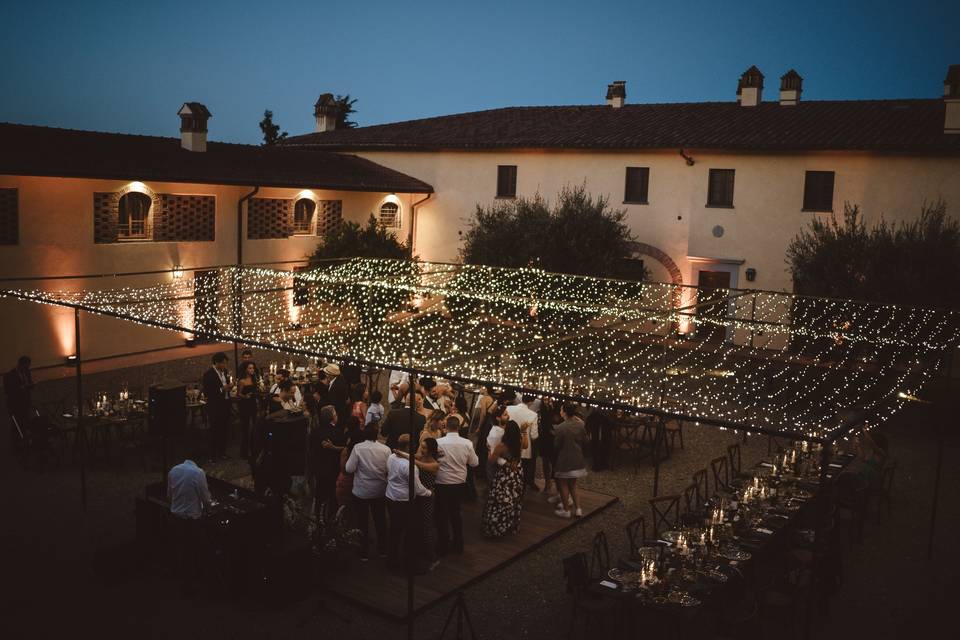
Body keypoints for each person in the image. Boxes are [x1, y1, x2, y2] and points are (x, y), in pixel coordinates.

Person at [167, 453, 213, 596]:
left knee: (182, 551)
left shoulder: (173, 471)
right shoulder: (198, 473)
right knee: (200, 551)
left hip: (176, 518)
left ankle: (185, 584)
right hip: (192, 521)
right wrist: (208, 510)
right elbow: (206, 499)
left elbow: (169, 495)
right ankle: (203, 584)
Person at [344, 424, 391, 561]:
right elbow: (389, 469)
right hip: (379, 490)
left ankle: (364, 552)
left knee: (362, 521)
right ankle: (383, 549)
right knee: (380, 520)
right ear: (377, 435)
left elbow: (349, 468)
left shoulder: (358, 448)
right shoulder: (385, 449)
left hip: (361, 490)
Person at [394, 436, 441, 571]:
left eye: (425, 447)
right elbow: (412, 456)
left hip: (427, 497)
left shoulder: (434, 464)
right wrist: (401, 453)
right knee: (417, 526)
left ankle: (433, 558)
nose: (422, 449)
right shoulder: (420, 456)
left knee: (426, 527)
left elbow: (417, 464)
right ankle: (420, 552)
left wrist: (401, 453)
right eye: (422, 446)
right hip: (418, 496)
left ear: (431, 450)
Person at [384, 441, 432, 570]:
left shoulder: (391, 457)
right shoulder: (410, 466)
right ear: (407, 449)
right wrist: (429, 493)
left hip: (390, 497)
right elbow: (417, 489)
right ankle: (410, 564)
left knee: (394, 531)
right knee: (411, 533)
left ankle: (392, 561)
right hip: (404, 501)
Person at [434, 417, 479, 555]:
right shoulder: (467, 443)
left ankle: (443, 545)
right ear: (458, 427)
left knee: (441, 515)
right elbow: (474, 463)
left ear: (446, 426)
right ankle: (458, 544)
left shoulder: (438, 442)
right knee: (456, 514)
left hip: (442, 482)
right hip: (459, 483)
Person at [482, 421, 527, 537]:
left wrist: (489, 451)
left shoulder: (502, 446)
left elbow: (491, 460)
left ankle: (496, 526)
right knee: (513, 498)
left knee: (499, 499)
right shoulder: (519, 442)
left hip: (504, 476)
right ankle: (510, 524)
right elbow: (524, 449)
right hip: (517, 474)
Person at [552, 403, 588, 518]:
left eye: (561, 410)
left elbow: (557, 445)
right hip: (577, 458)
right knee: (573, 485)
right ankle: (578, 509)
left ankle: (566, 510)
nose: (560, 412)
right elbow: (586, 440)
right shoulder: (581, 425)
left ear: (565, 413)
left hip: (565, 460)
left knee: (563, 485)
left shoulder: (561, 427)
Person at [310, 405, 345, 518]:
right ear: (332, 418)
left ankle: (317, 515)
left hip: (319, 467)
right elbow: (343, 450)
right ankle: (330, 517)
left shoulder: (315, 431)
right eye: (335, 414)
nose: (337, 416)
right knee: (332, 494)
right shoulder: (338, 432)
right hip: (332, 468)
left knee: (319, 493)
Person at [201, 352, 233, 460]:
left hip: (225, 403)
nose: (225, 365)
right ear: (216, 363)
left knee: (224, 429)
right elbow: (208, 391)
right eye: (223, 363)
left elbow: (226, 385)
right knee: (214, 430)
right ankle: (212, 454)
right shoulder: (209, 374)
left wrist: (229, 387)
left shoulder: (225, 372)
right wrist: (222, 389)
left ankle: (222, 452)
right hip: (215, 406)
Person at [507, 395, 540, 490]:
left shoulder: (509, 408)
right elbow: (534, 436)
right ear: (531, 402)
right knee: (521, 474)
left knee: (507, 470)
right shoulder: (533, 415)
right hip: (524, 449)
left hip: (508, 444)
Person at [3, 355, 34, 455]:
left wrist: (30, 386)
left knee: (25, 422)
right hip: (15, 404)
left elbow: (30, 383)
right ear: (21, 365)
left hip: (25, 402)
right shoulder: (9, 375)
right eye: (26, 366)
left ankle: (25, 443)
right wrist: (21, 388)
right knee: (16, 424)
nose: (27, 368)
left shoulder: (27, 373)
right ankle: (17, 445)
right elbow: (8, 391)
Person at [236, 361, 259, 459]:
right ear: (245, 369)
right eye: (250, 368)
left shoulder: (254, 379)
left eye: (253, 368)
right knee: (246, 428)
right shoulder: (242, 381)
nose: (252, 370)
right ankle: (244, 452)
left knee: (254, 427)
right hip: (245, 405)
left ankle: (254, 449)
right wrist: (245, 396)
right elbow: (238, 394)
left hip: (253, 404)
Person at [538, 397, 560, 497]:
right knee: (545, 462)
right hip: (544, 439)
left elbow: (557, 423)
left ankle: (559, 487)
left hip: (554, 440)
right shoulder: (542, 411)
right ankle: (548, 483)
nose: (548, 402)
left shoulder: (557, 411)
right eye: (546, 400)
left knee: (555, 463)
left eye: (550, 400)